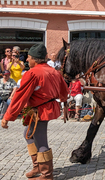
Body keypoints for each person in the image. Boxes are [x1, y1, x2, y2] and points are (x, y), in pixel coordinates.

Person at [1, 44, 69, 180]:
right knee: (28, 134)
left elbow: (20, 97)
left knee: (41, 140)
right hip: (44, 109)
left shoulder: (32, 73)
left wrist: (7, 117)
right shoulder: (55, 72)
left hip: (40, 111)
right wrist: (62, 100)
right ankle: (37, 166)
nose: (27, 60)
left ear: (36, 59)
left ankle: (47, 174)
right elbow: (64, 92)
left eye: (29, 58)